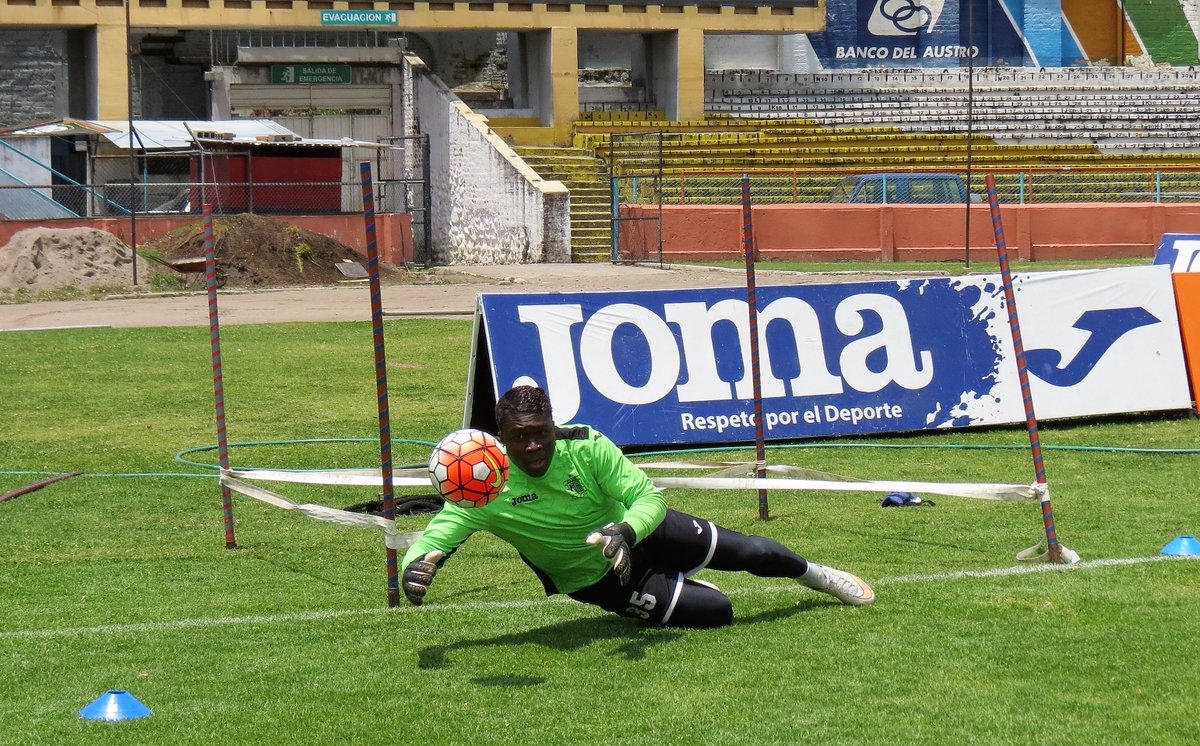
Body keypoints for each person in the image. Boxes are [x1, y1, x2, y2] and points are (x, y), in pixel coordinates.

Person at [401, 385, 874, 628]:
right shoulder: (484, 488)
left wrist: (625, 532)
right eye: (520, 437)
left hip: (642, 532)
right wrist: (412, 569)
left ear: (552, 425)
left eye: (540, 432)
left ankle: (817, 575)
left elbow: (647, 497)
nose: (532, 447)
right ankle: (678, 582)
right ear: (503, 438)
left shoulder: (584, 445)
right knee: (718, 611)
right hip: (600, 581)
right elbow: (433, 541)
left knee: (756, 554)